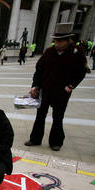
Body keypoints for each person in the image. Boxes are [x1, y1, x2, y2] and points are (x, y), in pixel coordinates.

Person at [25, 23, 87, 151]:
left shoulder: (76, 52)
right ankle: (35, 139)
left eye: (61, 41)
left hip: (62, 91)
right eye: (56, 41)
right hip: (45, 89)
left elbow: (81, 72)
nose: (57, 44)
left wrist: (71, 86)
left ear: (68, 40)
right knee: (40, 115)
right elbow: (39, 70)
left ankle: (56, 141)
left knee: (58, 117)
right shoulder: (49, 52)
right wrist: (35, 86)